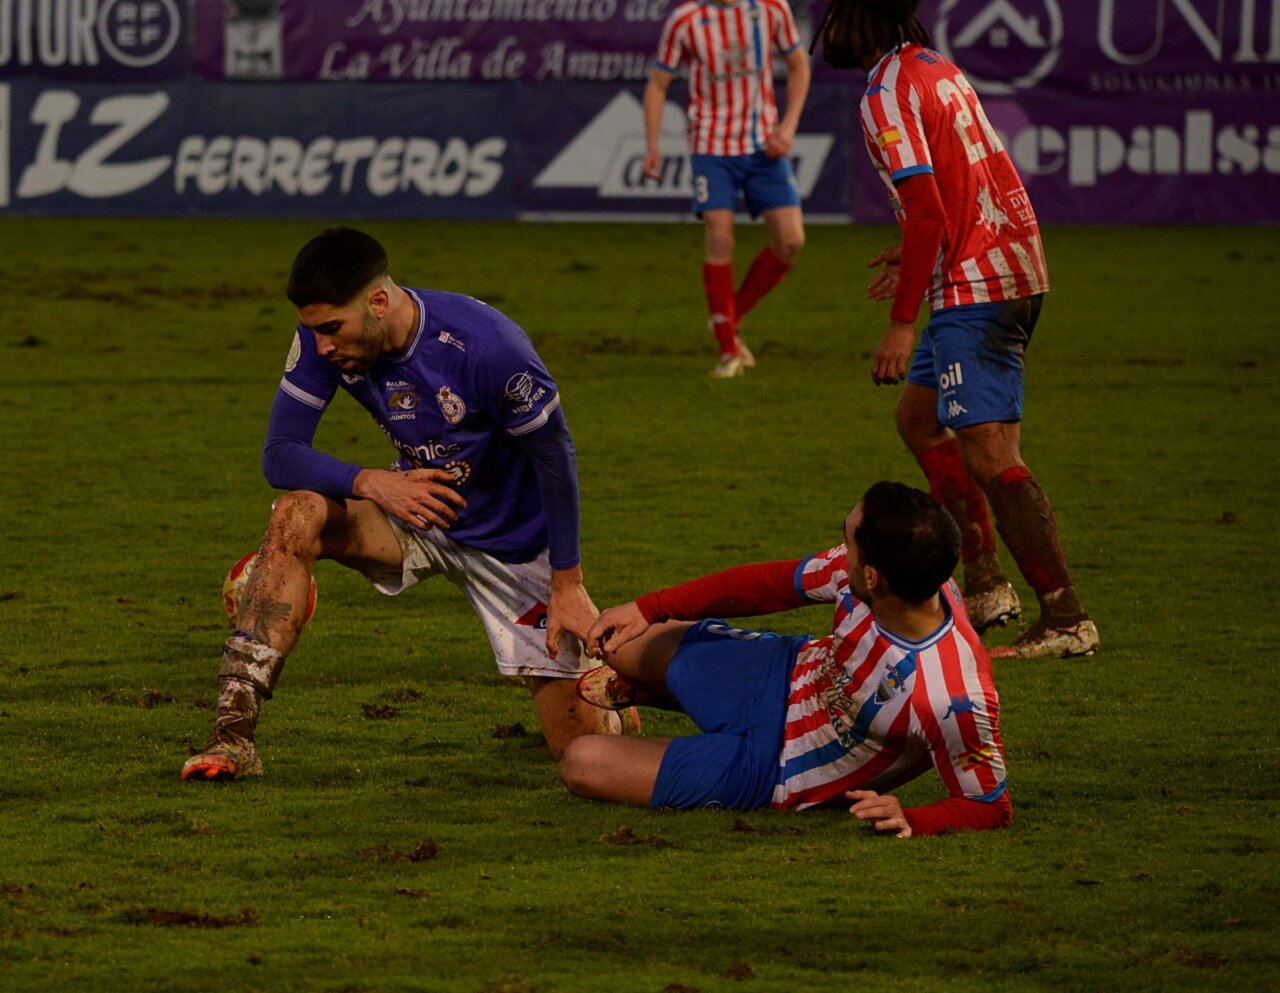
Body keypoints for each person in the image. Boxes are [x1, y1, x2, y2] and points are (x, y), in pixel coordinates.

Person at [182, 226, 622, 781]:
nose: (322, 346)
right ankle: (233, 736)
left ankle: (613, 703)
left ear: (379, 302)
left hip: (513, 548)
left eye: (332, 329)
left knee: (585, 756)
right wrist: (372, 482)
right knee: (298, 513)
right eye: (314, 330)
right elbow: (280, 454)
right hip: (415, 514)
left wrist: (566, 581)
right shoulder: (327, 340)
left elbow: (555, 455)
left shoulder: (489, 346)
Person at [810, 0, 1098, 659]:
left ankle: (1066, 615)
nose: (826, 28)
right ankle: (987, 585)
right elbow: (950, 194)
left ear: (862, 21)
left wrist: (900, 325)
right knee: (919, 419)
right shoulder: (934, 66)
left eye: (834, 16)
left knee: (992, 452)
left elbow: (929, 212)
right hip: (1001, 260)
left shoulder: (884, 91)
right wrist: (915, 253)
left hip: (979, 282)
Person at [559, 482, 1012, 837]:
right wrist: (649, 608)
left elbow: (989, 803)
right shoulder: (893, 572)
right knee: (621, 644)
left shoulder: (953, 695)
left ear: (872, 577)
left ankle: (680, 706)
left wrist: (914, 816)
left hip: (776, 766)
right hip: (779, 672)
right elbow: (772, 584)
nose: (841, 552)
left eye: (848, 541)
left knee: (582, 763)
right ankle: (668, 691)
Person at [644, 0, 811, 378]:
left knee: (791, 241)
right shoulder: (685, 20)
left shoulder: (771, 9)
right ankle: (728, 349)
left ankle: (728, 316)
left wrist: (788, 127)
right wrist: (652, 144)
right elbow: (658, 83)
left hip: (763, 145)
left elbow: (799, 64)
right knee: (720, 234)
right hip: (711, 146)